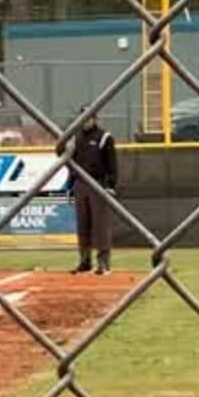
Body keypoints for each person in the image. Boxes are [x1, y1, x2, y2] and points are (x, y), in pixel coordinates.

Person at [71, 111, 118, 275]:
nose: (85, 121)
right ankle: (85, 262)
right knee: (83, 226)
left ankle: (103, 263)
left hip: (98, 184)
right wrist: (72, 184)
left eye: (88, 118)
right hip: (80, 185)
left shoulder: (104, 137)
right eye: (82, 118)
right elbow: (71, 162)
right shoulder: (76, 138)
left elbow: (112, 162)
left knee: (100, 226)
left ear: (94, 119)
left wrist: (111, 184)